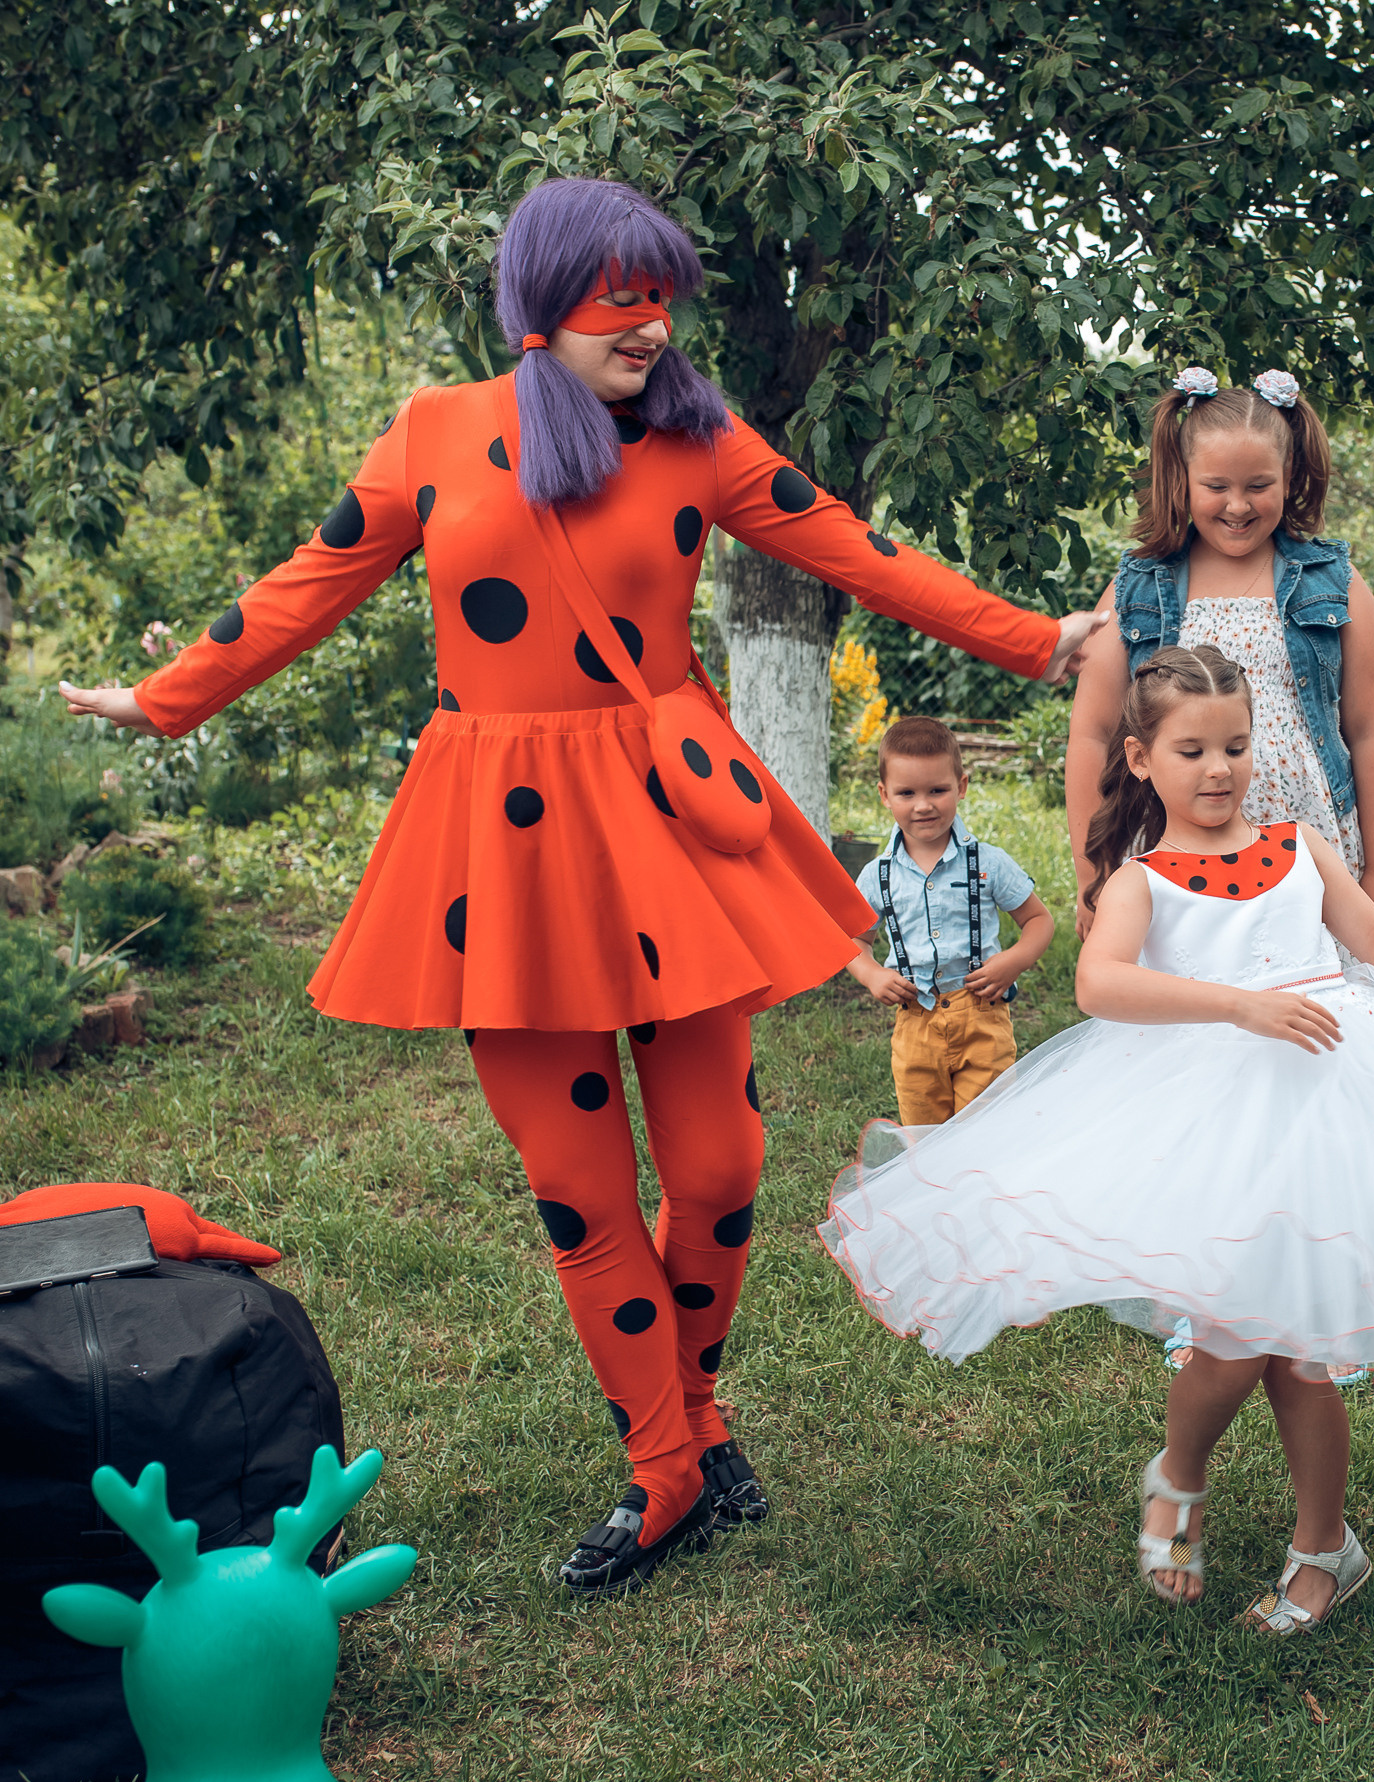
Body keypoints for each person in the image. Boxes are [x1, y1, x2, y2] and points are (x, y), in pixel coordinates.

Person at [59, 177, 1098, 1597]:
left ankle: (699, 1403)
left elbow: (855, 545)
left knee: (724, 1165)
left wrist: (1037, 641)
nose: (649, 321)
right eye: (618, 296)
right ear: (539, 307)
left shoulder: (699, 436)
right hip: (503, 847)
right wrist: (168, 697)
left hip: (670, 835)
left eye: (662, 292)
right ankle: (668, 1461)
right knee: (577, 1181)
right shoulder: (436, 431)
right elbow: (314, 577)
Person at [824, 646, 1374, 1633]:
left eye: (1234, 744)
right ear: (1142, 757)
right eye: (1193, 749)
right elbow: (1102, 984)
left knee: (1301, 1349)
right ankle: (1179, 1474)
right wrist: (1238, 1005)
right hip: (1212, 1116)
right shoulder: (1143, 880)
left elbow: (1373, 938)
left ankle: (1323, 1545)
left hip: (1330, 1109)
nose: (1219, 767)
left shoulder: (1299, 845)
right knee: (1236, 1340)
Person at [1065, 367, 1374, 933]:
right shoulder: (1137, 590)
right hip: (1172, 849)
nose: (1238, 505)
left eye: (1257, 485)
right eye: (1217, 486)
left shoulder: (1333, 583)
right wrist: (1091, 873)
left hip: (1308, 847)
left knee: (1310, 995)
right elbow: (1093, 735)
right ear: (1182, 479)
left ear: (1289, 475)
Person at [843, 715, 1054, 1125]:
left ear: (961, 786)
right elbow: (854, 941)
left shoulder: (988, 862)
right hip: (915, 1024)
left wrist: (1013, 961)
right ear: (885, 795)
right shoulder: (877, 875)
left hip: (982, 1017)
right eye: (907, 793)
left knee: (986, 1129)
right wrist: (871, 975)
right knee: (924, 1136)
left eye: (937, 790)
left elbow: (1039, 921)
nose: (923, 805)